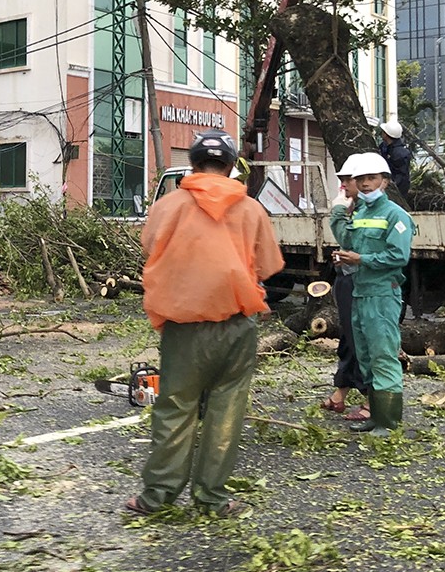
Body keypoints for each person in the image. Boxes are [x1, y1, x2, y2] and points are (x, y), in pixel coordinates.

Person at [125, 130, 285, 517]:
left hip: (184, 327)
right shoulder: (251, 209)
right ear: (231, 167)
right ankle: (212, 498)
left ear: (193, 164)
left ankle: (156, 497)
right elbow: (268, 267)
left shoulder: (168, 205)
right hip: (237, 326)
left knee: (175, 409)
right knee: (226, 412)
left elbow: (149, 248)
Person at [332, 152, 414, 437]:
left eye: (371, 179)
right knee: (365, 356)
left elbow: (398, 255)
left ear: (385, 182)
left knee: (383, 355)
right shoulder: (360, 213)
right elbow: (350, 243)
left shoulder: (396, 215)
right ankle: (376, 415)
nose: (365, 184)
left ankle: (388, 423)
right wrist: (345, 257)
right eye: (361, 179)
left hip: (382, 294)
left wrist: (361, 260)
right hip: (361, 293)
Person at [321, 156, 371, 422]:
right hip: (349, 278)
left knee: (360, 339)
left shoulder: (365, 210)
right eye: (341, 179)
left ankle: (369, 397)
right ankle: (341, 391)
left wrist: (338, 214)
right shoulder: (355, 206)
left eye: (347, 179)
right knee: (349, 336)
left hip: (363, 283)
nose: (343, 185)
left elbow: (350, 239)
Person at [377, 121, 413, 197]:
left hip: (399, 190)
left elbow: (400, 174)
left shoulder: (400, 153)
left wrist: (393, 185)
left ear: (387, 134)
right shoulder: (385, 147)